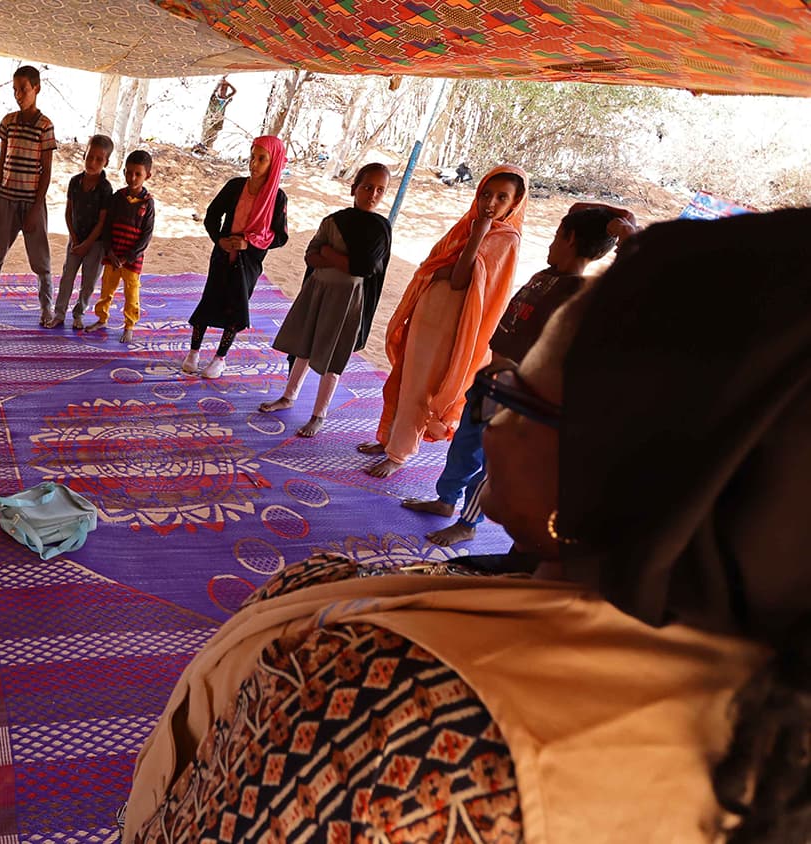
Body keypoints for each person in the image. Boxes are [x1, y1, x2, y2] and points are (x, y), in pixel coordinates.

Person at [125, 207, 811, 844]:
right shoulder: (771, 724)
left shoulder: (390, 702)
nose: (494, 424)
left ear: (612, 459)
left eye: (513, 395)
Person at [403, 204, 629, 546]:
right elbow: (578, 209)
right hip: (491, 383)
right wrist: (608, 222)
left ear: (570, 239)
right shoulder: (546, 275)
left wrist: (623, 229)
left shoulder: (578, 291)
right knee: (465, 446)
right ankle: (445, 500)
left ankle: (468, 522)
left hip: (516, 394)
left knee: (490, 460)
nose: (550, 243)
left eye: (557, 236)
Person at [359, 165, 528, 478]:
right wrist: (444, 267)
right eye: (486, 194)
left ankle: (398, 453)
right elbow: (434, 266)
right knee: (404, 378)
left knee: (420, 389)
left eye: (501, 197)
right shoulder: (467, 225)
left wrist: (477, 237)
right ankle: (387, 439)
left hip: (450, 330)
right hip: (427, 317)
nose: (490, 203)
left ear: (515, 202)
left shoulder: (504, 239)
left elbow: (460, 279)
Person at [259, 162, 391, 434]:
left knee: (334, 355)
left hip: (348, 300)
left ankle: (319, 414)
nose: (373, 194)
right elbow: (311, 255)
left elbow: (363, 268)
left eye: (380, 190)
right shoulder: (333, 220)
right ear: (354, 188)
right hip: (318, 291)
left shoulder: (380, 229)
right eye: (367, 187)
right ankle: (288, 396)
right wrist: (340, 260)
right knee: (304, 347)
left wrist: (329, 255)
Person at [183, 136, 289, 379]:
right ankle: (193, 353)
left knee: (236, 308)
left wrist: (249, 243)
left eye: (262, 159)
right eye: (253, 157)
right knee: (209, 300)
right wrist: (219, 239)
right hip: (222, 255)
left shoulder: (277, 198)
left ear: (274, 163)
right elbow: (212, 215)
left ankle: (219, 359)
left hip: (248, 263)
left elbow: (280, 237)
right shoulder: (235, 186)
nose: (254, 163)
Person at [0, 65, 56, 322]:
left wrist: (35, 209)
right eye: (15, 90)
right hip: (6, 201)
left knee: (41, 261)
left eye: (23, 89)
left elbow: (46, 171)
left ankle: (46, 307)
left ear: (37, 89)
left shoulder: (45, 126)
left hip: (32, 202)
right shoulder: (8, 122)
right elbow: (1, 163)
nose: (18, 95)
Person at [85, 150, 155, 344]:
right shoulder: (117, 197)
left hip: (132, 261)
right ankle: (102, 319)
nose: (132, 178)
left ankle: (129, 325)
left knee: (131, 293)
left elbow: (146, 236)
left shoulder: (148, 203)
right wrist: (110, 251)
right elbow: (107, 226)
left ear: (147, 175)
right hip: (113, 256)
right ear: (124, 172)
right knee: (106, 289)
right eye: (129, 172)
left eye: (138, 174)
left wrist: (128, 257)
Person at [46, 134, 114, 330]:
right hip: (75, 240)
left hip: (96, 244)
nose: (92, 162)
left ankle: (79, 313)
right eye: (89, 157)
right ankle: (59, 314)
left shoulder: (105, 188)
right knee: (67, 276)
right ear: (84, 155)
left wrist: (87, 244)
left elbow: (102, 222)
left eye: (99, 159)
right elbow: (69, 212)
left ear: (106, 162)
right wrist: (75, 239)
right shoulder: (75, 182)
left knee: (89, 282)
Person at [196, 76, 236, 154]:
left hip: (217, 123)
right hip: (209, 121)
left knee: (212, 138)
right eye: (221, 90)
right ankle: (201, 150)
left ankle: (207, 152)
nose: (223, 92)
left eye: (225, 90)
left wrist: (228, 84)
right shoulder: (214, 98)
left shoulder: (225, 100)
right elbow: (215, 90)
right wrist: (220, 83)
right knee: (205, 136)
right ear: (218, 91)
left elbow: (234, 91)